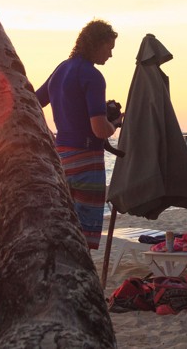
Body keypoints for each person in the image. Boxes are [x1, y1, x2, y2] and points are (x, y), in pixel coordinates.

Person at [35, 19, 124, 250]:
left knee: (66, 227)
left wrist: (50, 134)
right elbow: (99, 129)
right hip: (86, 160)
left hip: (61, 157)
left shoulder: (61, 69)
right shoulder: (93, 77)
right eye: (109, 48)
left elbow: (32, 102)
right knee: (82, 237)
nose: (111, 55)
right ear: (95, 44)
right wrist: (114, 124)